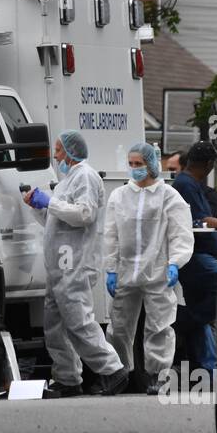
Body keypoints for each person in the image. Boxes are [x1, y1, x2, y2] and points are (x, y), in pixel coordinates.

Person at [23, 130, 128, 397]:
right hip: (60, 265)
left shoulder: (85, 176)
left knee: (79, 321)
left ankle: (113, 370)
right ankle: (68, 379)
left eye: (58, 150)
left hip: (75, 262)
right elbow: (55, 221)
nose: (55, 155)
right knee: (54, 326)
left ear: (70, 152)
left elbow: (84, 214)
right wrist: (38, 206)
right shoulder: (66, 180)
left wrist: (51, 201)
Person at [103, 143, 194, 392]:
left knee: (159, 326)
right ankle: (120, 373)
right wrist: (111, 268)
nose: (134, 169)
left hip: (158, 271)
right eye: (131, 164)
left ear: (152, 165)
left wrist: (175, 262)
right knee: (119, 326)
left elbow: (181, 234)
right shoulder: (119, 196)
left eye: (139, 164)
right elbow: (110, 235)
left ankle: (157, 376)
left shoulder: (169, 196)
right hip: (125, 272)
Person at [170, 141, 217, 372]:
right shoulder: (186, 185)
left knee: (200, 312)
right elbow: (201, 221)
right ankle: (182, 323)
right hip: (194, 255)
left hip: (203, 254)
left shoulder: (193, 184)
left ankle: (207, 367)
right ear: (208, 164)